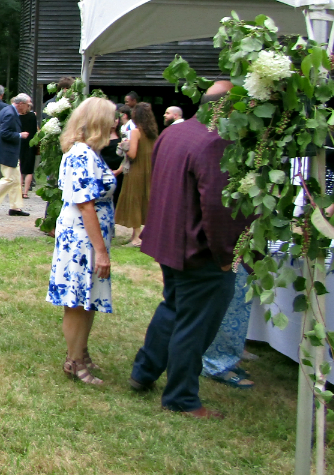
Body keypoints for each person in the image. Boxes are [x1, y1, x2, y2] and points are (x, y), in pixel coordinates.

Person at [129, 81, 243, 419]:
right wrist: (226, 255)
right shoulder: (215, 141)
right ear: (229, 109)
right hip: (198, 248)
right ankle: (180, 396)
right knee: (196, 321)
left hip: (170, 240)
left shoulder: (175, 132)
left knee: (174, 307)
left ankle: (144, 371)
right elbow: (216, 206)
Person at [46, 96, 118, 384]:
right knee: (76, 300)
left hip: (85, 237)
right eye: (111, 118)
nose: (116, 122)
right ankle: (74, 361)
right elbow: (86, 204)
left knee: (87, 297)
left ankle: (81, 352)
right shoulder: (82, 155)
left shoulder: (87, 152)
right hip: (81, 240)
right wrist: (100, 251)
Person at [115, 101, 158, 247]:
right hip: (149, 169)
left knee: (135, 200)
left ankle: (136, 237)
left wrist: (124, 146)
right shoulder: (152, 132)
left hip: (137, 169)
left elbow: (133, 154)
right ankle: (138, 235)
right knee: (145, 199)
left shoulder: (136, 131)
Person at [0, 96, 28, 217]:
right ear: (21, 104)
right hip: (7, 151)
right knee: (9, 179)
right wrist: (19, 135)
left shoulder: (7, 110)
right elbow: (4, 132)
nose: (28, 108)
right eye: (28, 105)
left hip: (6, 150)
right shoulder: (10, 114)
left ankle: (15, 207)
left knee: (15, 179)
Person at [14, 94, 39, 200]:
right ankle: (26, 192)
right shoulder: (33, 116)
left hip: (19, 142)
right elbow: (35, 130)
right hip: (30, 143)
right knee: (29, 169)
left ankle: (19, 190)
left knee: (19, 167)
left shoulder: (16, 116)